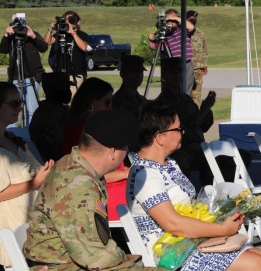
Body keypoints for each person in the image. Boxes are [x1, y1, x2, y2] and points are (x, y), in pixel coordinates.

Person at [127, 100, 261, 271]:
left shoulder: (168, 163)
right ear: (160, 137)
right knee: (255, 264)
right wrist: (221, 229)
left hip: (187, 241)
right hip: (170, 254)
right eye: (178, 129)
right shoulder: (145, 173)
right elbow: (173, 224)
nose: (183, 132)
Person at [23, 109, 156, 270]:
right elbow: (93, 257)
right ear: (113, 152)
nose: (127, 151)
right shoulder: (78, 186)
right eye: (125, 147)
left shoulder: (74, 163)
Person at [0, 82, 54, 268]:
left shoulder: (15, 140)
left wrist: (45, 172)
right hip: (11, 225)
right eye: (14, 104)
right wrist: (34, 183)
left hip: (32, 222)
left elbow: (37, 170)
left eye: (21, 102)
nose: (20, 107)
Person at [61, 78, 128, 222]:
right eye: (107, 102)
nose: (110, 108)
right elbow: (84, 175)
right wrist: (126, 173)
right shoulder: (79, 133)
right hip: (103, 198)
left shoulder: (96, 129)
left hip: (117, 194)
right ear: (92, 103)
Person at [156, 57, 217, 188]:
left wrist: (206, 109)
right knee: (201, 158)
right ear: (165, 75)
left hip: (196, 146)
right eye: (173, 72)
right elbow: (183, 129)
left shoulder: (186, 99)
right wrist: (204, 110)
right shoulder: (164, 102)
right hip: (179, 149)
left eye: (179, 72)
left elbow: (203, 126)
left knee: (226, 157)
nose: (177, 76)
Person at [0, 13, 48, 128]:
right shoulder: (11, 38)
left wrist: (32, 36)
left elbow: (44, 47)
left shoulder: (33, 35)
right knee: (11, 108)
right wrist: (6, 35)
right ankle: (10, 134)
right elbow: (2, 50)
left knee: (32, 109)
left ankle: (31, 134)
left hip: (31, 77)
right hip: (15, 77)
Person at [147, 8, 195, 94]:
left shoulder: (183, 29)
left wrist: (174, 18)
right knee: (173, 92)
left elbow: (191, 27)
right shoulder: (165, 35)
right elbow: (154, 47)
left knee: (186, 92)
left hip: (186, 64)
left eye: (172, 20)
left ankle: (185, 106)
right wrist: (150, 39)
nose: (170, 22)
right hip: (173, 67)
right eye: (168, 20)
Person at [28, 72, 72, 162]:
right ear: (55, 91)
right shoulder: (49, 116)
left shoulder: (54, 110)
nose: (70, 92)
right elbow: (60, 148)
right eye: (66, 88)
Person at [43, 10, 89, 92]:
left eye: (71, 19)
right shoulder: (59, 34)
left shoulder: (82, 34)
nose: (68, 22)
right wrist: (50, 29)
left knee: (73, 103)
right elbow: (46, 43)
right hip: (59, 74)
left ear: (76, 21)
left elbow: (84, 47)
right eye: (66, 19)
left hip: (75, 74)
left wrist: (73, 33)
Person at [186, 10, 208, 104]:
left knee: (197, 94)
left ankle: (196, 113)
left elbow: (204, 50)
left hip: (198, 68)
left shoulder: (200, 33)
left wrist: (205, 65)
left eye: (195, 18)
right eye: (191, 18)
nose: (193, 20)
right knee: (187, 92)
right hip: (187, 67)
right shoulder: (183, 32)